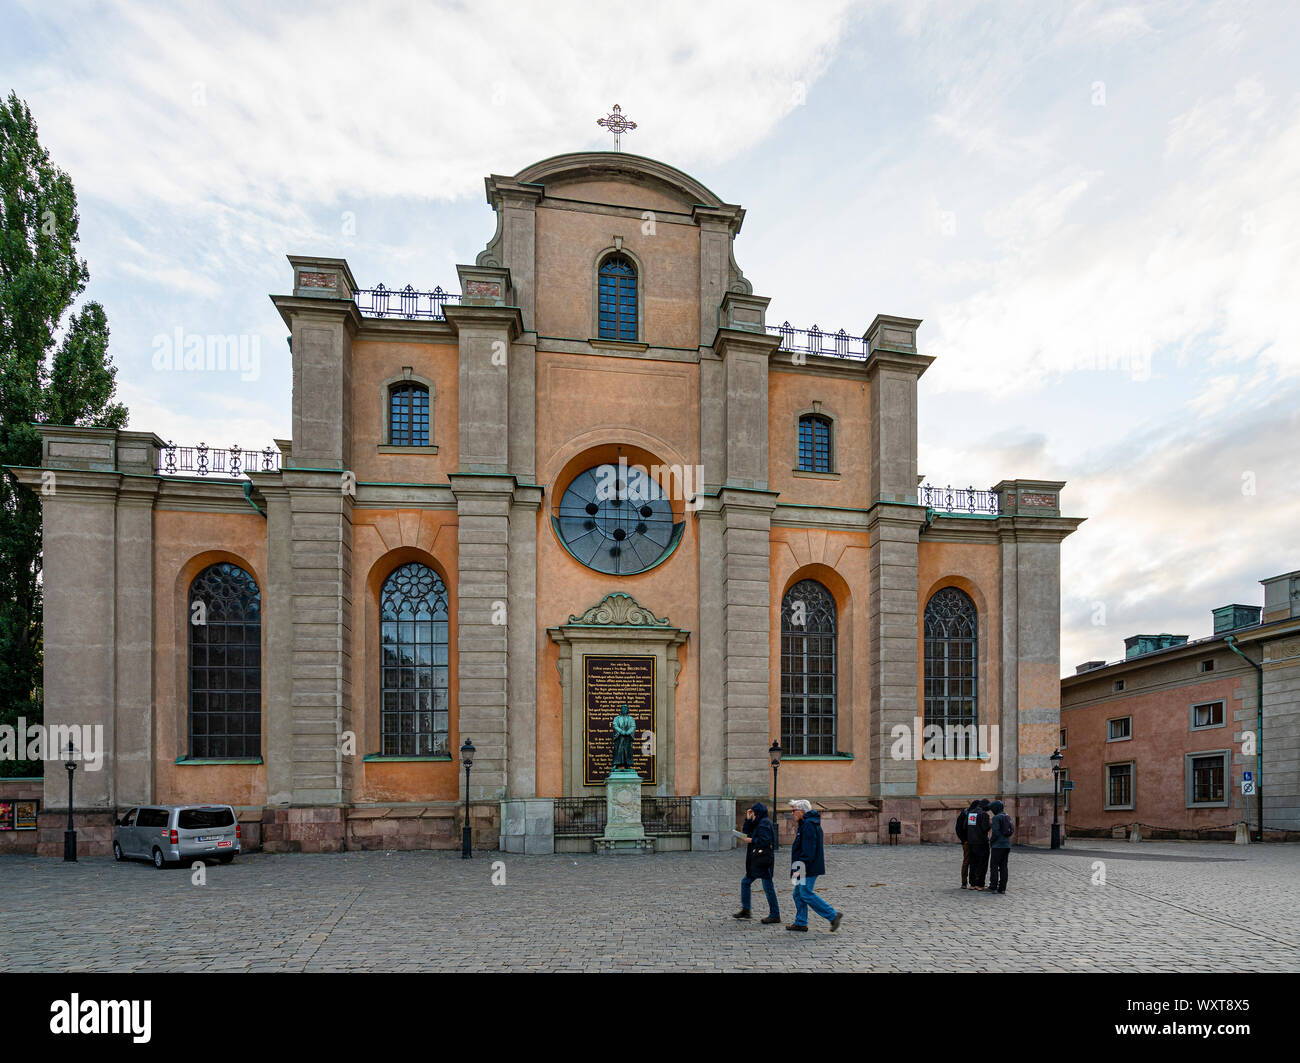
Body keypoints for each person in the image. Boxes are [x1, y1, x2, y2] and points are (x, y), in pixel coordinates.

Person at [786, 799, 842, 932]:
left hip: (806, 866)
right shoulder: (805, 823)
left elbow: (808, 851)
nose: (792, 813)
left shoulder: (808, 825)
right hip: (802, 865)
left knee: (805, 893)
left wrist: (799, 868)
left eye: (794, 810)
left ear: (802, 811)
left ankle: (833, 915)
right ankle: (800, 922)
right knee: (797, 894)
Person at [733, 803, 780, 923]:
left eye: (752, 812)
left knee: (768, 887)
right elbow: (746, 832)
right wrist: (748, 820)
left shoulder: (764, 823)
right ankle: (746, 909)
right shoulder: (758, 822)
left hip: (763, 860)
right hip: (756, 860)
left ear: (757, 812)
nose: (751, 814)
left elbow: (766, 841)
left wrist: (752, 840)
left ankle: (775, 914)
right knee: (745, 882)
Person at [988, 800, 1015, 894]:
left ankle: (993, 886)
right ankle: (1002, 888)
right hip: (1007, 845)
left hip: (997, 846)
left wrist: (991, 841)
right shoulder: (1007, 816)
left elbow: (995, 832)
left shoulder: (996, 818)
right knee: (1004, 866)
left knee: (994, 866)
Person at [965, 798, 992, 891]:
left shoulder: (970, 813)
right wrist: (990, 824)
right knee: (982, 864)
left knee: (972, 863)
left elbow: (965, 827)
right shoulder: (984, 815)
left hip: (971, 842)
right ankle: (980, 884)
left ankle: (972, 884)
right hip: (982, 842)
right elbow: (985, 828)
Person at [955, 798, 981, 889]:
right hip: (968, 842)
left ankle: (972, 882)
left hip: (973, 841)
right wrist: (964, 840)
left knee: (973, 861)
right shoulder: (966, 814)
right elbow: (959, 828)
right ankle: (964, 882)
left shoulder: (969, 813)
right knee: (967, 861)